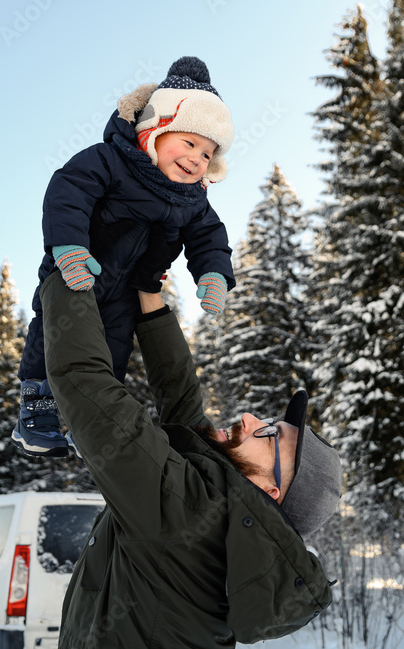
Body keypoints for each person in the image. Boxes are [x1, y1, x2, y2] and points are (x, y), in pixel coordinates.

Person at [38, 243, 343, 647]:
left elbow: (88, 389)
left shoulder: (192, 515)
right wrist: (150, 295)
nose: (252, 420)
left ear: (272, 491)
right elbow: (182, 408)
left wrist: (67, 271)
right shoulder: (223, 521)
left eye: (269, 436)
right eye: (270, 421)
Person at [13, 56, 237, 458]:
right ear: (153, 132)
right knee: (55, 333)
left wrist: (215, 274)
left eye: (207, 154)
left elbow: (210, 237)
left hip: (126, 291)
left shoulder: (193, 201)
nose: (196, 159)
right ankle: (37, 411)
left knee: (109, 356)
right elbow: (69, 190)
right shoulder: (111, 161)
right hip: (76, 268)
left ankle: (88, 424)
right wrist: (68, 247)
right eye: (189, 143)